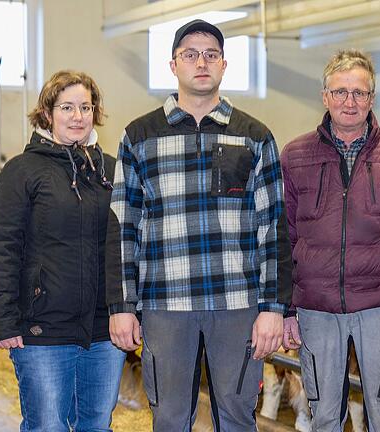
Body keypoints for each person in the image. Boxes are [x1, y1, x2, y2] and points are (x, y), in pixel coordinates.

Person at [106, 19, 291, 431]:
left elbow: (273, 227)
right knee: (170, 418)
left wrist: (274, 309)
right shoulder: (139, 136)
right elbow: (124, 226)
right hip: (165, 304)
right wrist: (122, 306)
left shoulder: (254, 136)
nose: (201, 63)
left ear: (224, 65)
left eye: (210, 55)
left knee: (238, 416)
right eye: (190, 55)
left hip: (237, 304)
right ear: (174, 65)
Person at [280, 49, 380, 431]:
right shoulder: (295, 156)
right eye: (340, 92)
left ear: (371, 98)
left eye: (359, 93)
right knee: (324, 417)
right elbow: (281, 237)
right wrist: (284, 308)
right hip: (316, 309)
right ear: (324, 97)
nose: (349, 102)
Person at [0, 70, 124, 432]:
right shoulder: (22, 171)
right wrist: (2, 320)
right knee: (47, 425)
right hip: (41, 329)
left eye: (86, 107)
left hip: (103, 329)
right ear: (47, 113)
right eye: (67, 107)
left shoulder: (110, 170)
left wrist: (128, 310)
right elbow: (1, 247)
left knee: (97, 424)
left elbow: (124, 244)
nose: (78, 116)